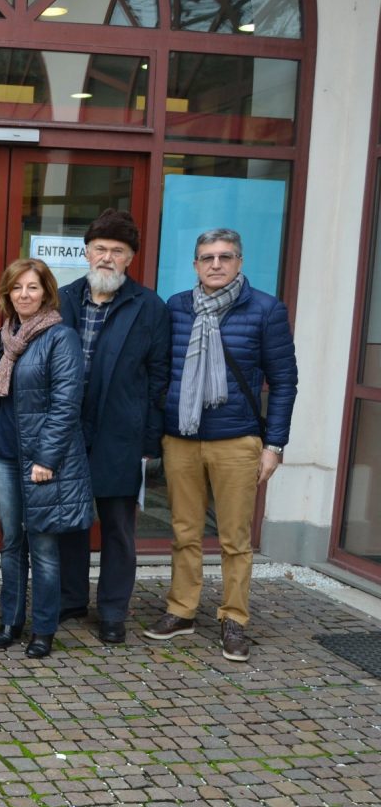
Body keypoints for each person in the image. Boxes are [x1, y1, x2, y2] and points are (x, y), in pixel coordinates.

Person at [143, 228, 298, 662]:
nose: (215, 264)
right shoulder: (176, 307)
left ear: (239, 262)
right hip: (182, 439)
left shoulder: (266, 310)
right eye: (207, 257)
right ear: (195, 265)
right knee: (184, 532)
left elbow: (284, 381)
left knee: (235, 539)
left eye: (225, 257)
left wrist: (275, 445)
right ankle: (182, 609)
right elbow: (161, 374)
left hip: (237, 441)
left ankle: (234, 618)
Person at [56, 209, 170, 645]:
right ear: (86, 252)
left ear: (130, 259)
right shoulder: (62, 299)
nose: (107, 258)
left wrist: (148, 440)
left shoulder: (149, 308)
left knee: (119, 531)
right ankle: (70, 601)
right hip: (68, 434)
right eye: (100, 249)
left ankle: (112, 611)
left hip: (122, 436)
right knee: (71, 524)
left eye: (117, 251)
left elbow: (159, 378)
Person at [0, 258, 93, 659]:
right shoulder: (5, 337)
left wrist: (46, 458)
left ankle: (43, 629)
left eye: (32, 287)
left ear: (46, 292)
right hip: (6, 458)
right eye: (16, 288)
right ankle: (11, 621)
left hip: (42, 462)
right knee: (12, 543)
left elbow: (66, 404)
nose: (24, 295)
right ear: (7, 294)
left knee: (43, 547)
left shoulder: (60, 338)